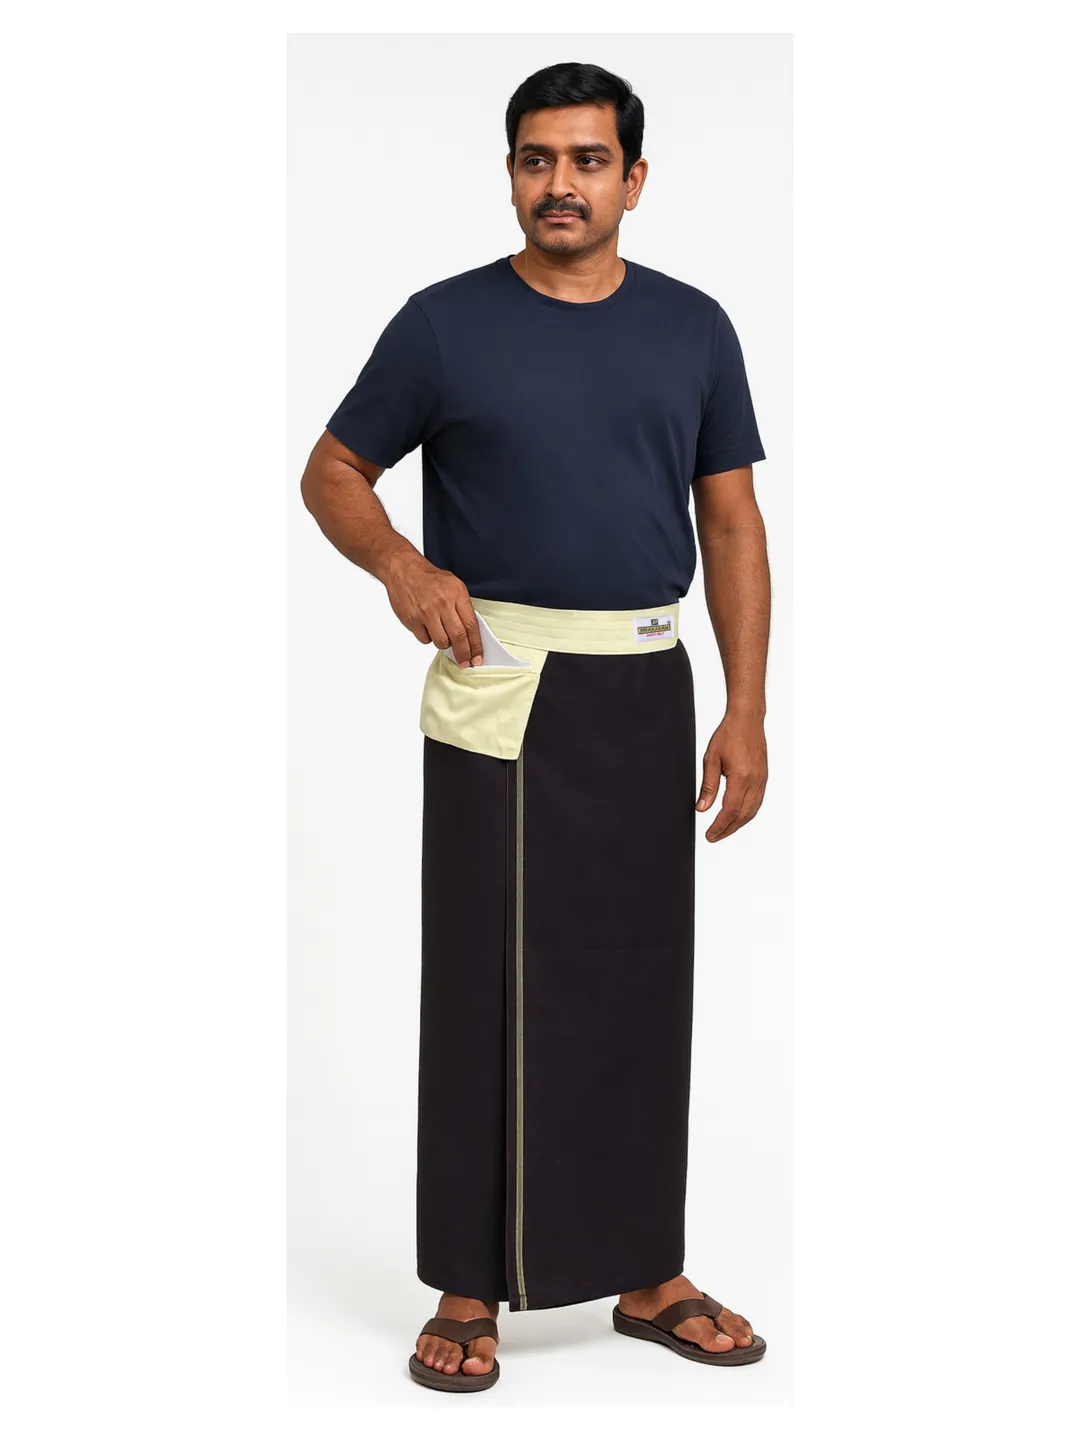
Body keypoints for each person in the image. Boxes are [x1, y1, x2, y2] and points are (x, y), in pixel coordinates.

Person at [301, 61, 771, 1393]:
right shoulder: (444, 326)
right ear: (511, 173)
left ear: (634, 178)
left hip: (647, 686)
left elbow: (731, 522)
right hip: (501, 686)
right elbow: (333, 471)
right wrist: (401, 564)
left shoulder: (694, 329)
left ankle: (648, 1270)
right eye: (535, 159)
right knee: (485, 981)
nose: (560, 184)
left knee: (640, 980)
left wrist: (745, 706)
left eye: (586, 159)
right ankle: (468, 1282)